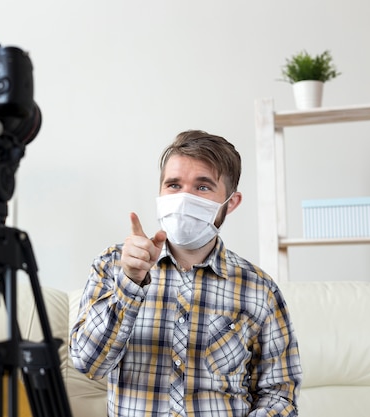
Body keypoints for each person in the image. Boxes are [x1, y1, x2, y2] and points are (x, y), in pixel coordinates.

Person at [69, 130, 302, 416]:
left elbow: (279, 393)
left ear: (231, 202)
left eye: (202, 187)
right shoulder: (112, 265)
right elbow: (87, 364)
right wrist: (130, 282)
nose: (184, 198)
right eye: (174, 185)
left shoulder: (259, 288)